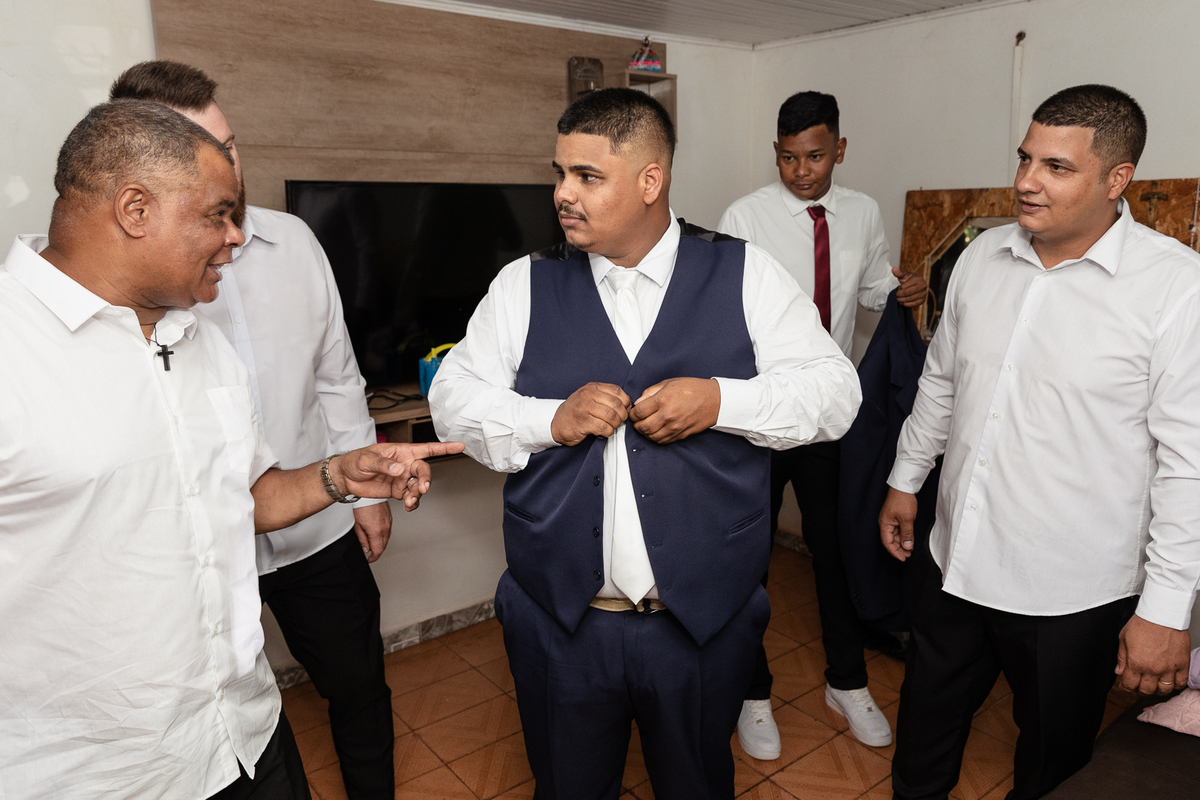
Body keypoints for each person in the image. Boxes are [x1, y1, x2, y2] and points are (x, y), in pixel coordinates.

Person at [0, 99, 462, 799]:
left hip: (243, 736)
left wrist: (341, 474)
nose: (237, 237)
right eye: (218, 214)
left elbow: (243, 495)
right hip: (98, 774)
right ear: (135, 210)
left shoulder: (201, 341)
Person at [429, 88, 860, 800]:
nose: (563, 194)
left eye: (587, 176)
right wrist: (549, 420)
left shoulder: (745, 272)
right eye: (560, 173)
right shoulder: (523, 285)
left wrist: (722, 400)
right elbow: (451, 402)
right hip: (560, 625)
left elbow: (836, 393)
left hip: (703, 628)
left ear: (650, 180)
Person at [879, 84, 1200, 800]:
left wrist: (1166, 608)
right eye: (1025, 158)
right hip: (955, 561)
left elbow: (1190, 464)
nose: (1026, 181)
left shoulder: (1177, 290)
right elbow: (942, 382)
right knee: (923, 739)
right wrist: (906, 479)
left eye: (1056, 167)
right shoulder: (982, 257)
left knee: (1053, 766)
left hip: (1071, 594)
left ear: (1117, 179)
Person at [110, 61, 397, 799]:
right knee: (219, 720)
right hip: (197, 555)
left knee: (359, 686)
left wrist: (365, 494)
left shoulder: (295, 241)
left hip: (313, 524)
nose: (228, 168)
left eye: (230, 145)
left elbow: (336, 375)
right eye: (204, 152)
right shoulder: (117, 287)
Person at [719, 90, 927, 758]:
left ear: (839, 149)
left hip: (825, 417)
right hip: (760, 415)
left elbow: (867, 291)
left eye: (813, 156)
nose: (801, 171)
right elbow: (726, 313)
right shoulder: (745, 216)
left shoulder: (862, 212)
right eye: (787, 158)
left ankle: (847, 680)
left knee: (837, 551)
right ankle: (751, 691)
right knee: (749, 557)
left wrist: (899, 290)